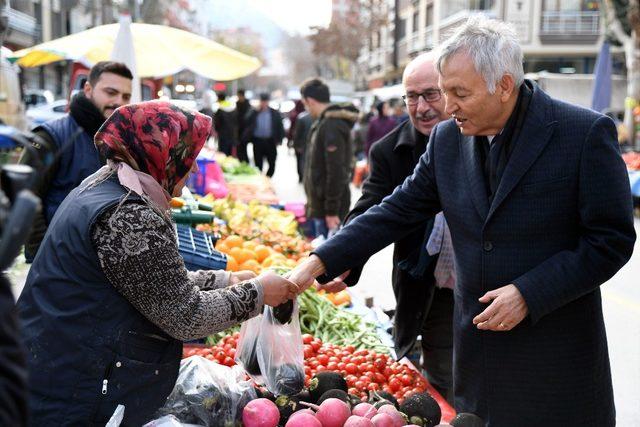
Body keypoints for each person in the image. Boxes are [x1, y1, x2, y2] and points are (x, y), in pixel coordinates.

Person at [289, 16, 635, 427]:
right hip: (478, 361)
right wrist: (318, 261)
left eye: (458, 93)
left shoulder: (583, 134)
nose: (447, 107)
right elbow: (396, 209)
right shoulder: (448, 139)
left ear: (504, 85)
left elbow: (610, 241)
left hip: (555, 363)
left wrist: (529, 292)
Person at [16, 101, 298, 425]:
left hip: (56, 366)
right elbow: (186, 316)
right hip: (73, 389)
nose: (192, 169)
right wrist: (258, 293)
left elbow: (152, 281)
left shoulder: (105, 183)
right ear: (162, 151)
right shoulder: (127, 213)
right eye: (187, 157)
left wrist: (227, 281)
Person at [343, 52, 454, 403]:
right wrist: (342, 257)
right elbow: (371, 207)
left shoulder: (481, 137)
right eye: (411, 96)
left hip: (488, 282)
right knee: (444, 382)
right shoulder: (390, 150)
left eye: (431, 94)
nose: (420, 107)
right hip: (430, 288)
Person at [21, 61, 133, 261]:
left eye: (125, 96)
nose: (118, 101)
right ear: (88, 89)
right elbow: (24, 196)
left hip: (95, 265)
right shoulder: (52, 136)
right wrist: (45, 255)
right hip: (56, 263)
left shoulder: (120, 140)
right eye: (110, 92)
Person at [300, 78, 358, 237]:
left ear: (310, 101)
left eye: (305, 103)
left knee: (328, 258)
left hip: (329, 211)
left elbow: (336, 170)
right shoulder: (323, 123)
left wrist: (331, 211)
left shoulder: (331, 125)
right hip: (323, 206)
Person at [242, 93, 285, 177]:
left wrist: (280, 139)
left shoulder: (274, 113)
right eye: (262, 101)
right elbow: (246, 120)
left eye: (265, 101)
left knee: (272, 163)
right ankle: (260, 179)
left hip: (270, 141)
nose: (264, 103)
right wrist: (254, 111)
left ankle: (268, 178)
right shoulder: (255, 112)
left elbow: (280, 126)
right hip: (258, 141)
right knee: (258, 163)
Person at [214, 91, 238, 156]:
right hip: (232, 134)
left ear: (219, 99)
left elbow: (217, 123)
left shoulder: (220, 109)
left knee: (223, 154)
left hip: (223, 136)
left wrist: (216, 130)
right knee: (230, 153)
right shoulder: (232, 107)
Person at [293, 109, 313, 183]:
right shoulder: (303, 117)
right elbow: (297, 133)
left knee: (303, 162)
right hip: (306, 144)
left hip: (304, 144)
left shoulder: (302, 117)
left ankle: (304, 177)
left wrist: (297, 145)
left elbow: (297, 133)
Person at [235, 89, 251, 163]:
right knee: (238, 150)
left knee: (244, 149)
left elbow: (248, 119)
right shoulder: (237, 104)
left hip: (245, 131)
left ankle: (245, 163)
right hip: (238, 131)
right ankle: (240, 163)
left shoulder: (248, 105)